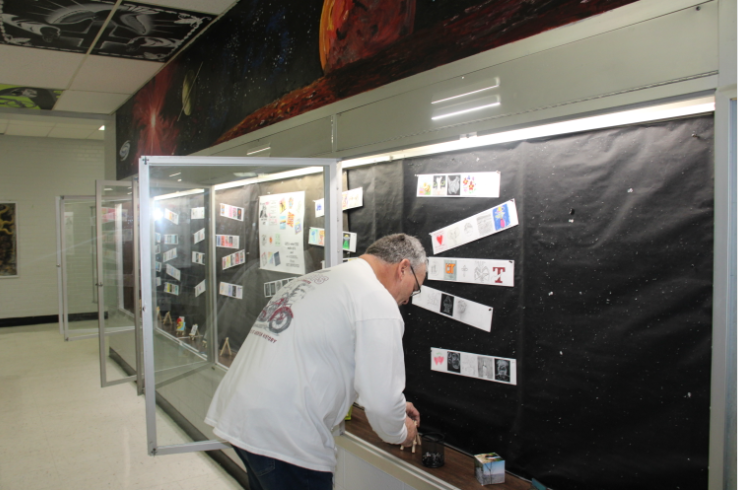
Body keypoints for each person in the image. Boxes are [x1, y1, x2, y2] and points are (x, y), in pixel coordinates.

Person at [205, 233, 428, 490]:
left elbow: (322, 360)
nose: (409, 299)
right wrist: (401, 430)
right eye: (415, 287)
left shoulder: (316, 280)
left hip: (244, 419)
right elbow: (381, 402)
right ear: (403, 268)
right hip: (286, 439)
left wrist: (396, 406)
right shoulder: (376, 300)